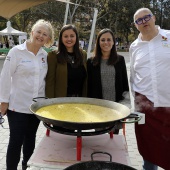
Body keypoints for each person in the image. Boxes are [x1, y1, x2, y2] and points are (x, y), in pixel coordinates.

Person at [0, 19, 54, 170]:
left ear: (48, 39)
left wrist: (45, 106)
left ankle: (26, 166)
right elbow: (5, 77)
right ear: (32, 33)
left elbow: (44, 82)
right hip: (17, 107)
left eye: (45, 34)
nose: (41, 36)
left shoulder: (45, 55)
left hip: (36, 108)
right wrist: (3, 101)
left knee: (30, 140)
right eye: (39, 32)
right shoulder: (16, 52)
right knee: (16, 141)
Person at [130, 7, 170, 170]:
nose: (144, 21)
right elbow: (133, 76)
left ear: (153, 18)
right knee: (148, 152)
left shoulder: (169, 36)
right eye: (139, 20)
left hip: (168, 105)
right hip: (145, 107)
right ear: (135, 25)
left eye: (146, 17)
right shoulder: (134, 46)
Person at [87, 28, 129, 134]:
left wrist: (126, 105)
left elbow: (125, 83)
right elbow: (89, 86)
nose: (106, 42)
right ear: (98, 42)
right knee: (99, 138)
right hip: (98, 107)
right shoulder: (91, 62)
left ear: (113, 42)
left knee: (114, 139)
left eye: (109, 39)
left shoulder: (120, 60)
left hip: (116, 107)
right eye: (103, 40)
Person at [45, 24, 87, 100]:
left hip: (80, 100)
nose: (69, 39)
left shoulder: (83, 54)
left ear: (76, 37)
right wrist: (50, 102)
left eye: (72, 36)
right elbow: (50, 82)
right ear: (61, 38)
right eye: (66, 36)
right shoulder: (53, 56)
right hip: (61, 101)